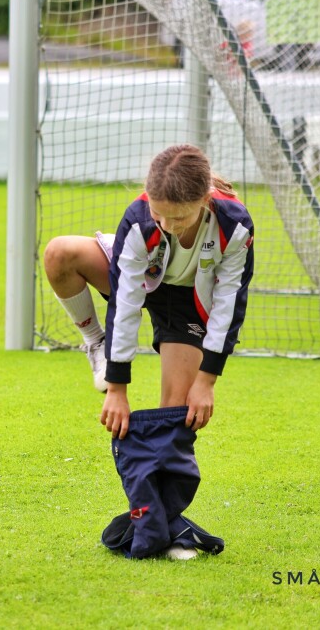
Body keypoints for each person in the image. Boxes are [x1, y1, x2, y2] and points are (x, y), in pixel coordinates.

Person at [43, 144, 254, 442]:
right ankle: (95, 342)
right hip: (145, 279)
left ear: (204, 201)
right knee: (59, 254)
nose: (166, 226)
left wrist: (207, 380)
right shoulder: (139, 218)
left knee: (175, 420)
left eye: (178, 219)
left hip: (187, 303)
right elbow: (125, 300)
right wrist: (117, 388)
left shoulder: (234, 225)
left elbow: (228, 302)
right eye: (158, 214)